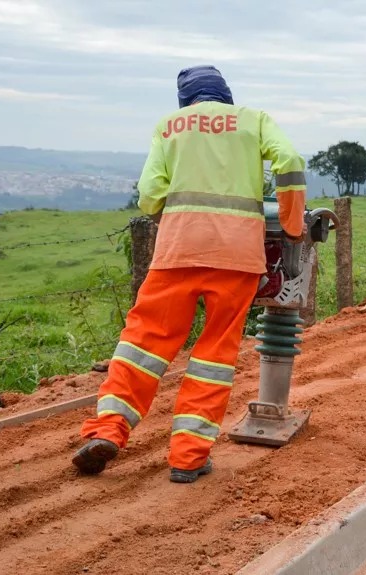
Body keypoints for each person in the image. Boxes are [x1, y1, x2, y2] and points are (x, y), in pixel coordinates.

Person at [72, 65, 306, 483]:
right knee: (214, 355)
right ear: (225, 95)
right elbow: (289, 161)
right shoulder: (253, 120)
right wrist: (290, 223)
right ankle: (188, 457)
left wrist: (177, 215)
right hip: (237, 258)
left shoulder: (169, 126)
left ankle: (107, 429)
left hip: (177, 252)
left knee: (142, 344)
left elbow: (149, 195)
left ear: (185, 101)